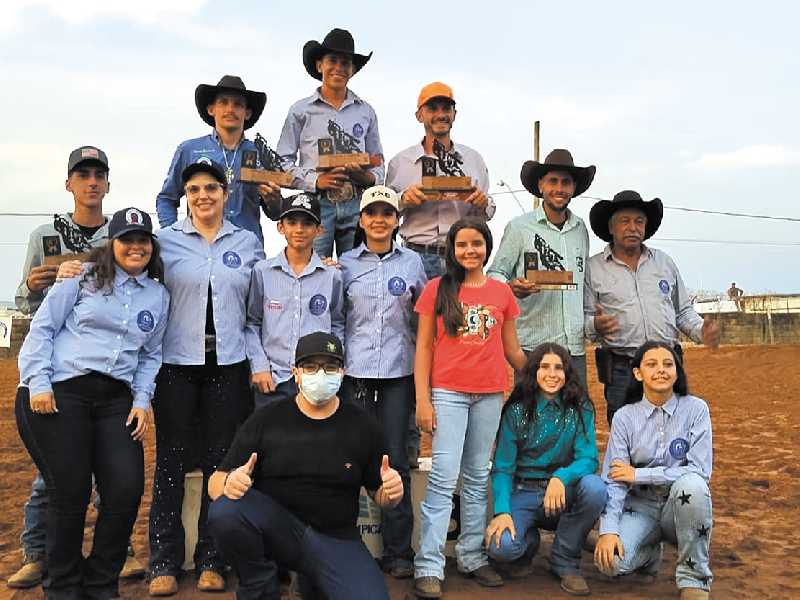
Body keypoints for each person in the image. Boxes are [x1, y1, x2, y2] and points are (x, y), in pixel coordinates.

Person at [15, 207, 169, 600]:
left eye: (142, 240)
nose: (135, 247)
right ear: (112, 244)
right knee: (71, 489)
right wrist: (38, 383)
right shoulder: (81, 278)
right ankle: (64, 586)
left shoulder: (158, 295)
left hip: (116, 398)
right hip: (63, 389)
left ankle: (101, 581)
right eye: (127, 240)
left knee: (126, 487)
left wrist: (141, 400)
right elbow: (43, 328)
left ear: (151, 246)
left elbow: (150, 355)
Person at [10, 146, 144, 587]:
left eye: (98, 175)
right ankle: (37, 551)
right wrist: (32, 283)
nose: (91, 182)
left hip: (104, 364)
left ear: (107, 184)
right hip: (56, 361)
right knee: (56, 476)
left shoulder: (120, 234)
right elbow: (24, 299)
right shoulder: (46, 235)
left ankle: (117, 550)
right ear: (68, 183)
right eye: (82, 175)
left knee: (110, 472)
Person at [207, 331, 403, 600]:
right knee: (226, 511)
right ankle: (259, 585)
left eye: (330, 367)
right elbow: (214, 483)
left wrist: (391, 493)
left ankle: (311, 579)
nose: (320, 375)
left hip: (336, 540)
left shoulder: (362, 425)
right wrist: (229, 483)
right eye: (310, 367)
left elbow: (379, 494)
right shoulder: (267, 419)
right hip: (279, 531)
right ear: (295, 373)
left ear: (342, 372)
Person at [149, 161, 265, 595]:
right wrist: (76, 268)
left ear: (225, 191)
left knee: (223, 462)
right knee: (171, 463)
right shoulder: (165, 242)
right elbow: (126, 268)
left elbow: (258, 304)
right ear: (185, 195)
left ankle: (213, 558)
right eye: (194, 188)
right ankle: (163, 560)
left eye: (211, 188)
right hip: (177, 365)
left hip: (229, 365)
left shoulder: (248, 242)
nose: (203, 196)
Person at [413, 217, 527, 599]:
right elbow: (424, 349)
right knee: (444, 476)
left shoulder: (502, 293)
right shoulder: (436, 290)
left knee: (478, 475)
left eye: (476, 244)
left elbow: (511, 350)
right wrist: (423, 399)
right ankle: (429, 564)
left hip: (490, 394)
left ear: (486, 247)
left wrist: (543, 374)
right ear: (452, 249)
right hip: (448, 393)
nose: (469, 251)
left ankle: (472, 555)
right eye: (462, 244)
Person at [338, 185, 427, 578]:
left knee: (395, 460)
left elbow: (424, 317)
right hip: (355, 374)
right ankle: (345, 546)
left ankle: (398, 552)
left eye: (386, 213)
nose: (379, 220)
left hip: (397, 375)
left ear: (397, 221)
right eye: (371, 213)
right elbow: (337, 318)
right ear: (361, 220)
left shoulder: (411, 264)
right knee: (351, 459)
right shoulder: (343, 265)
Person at [584, 190, 721, 425]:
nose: (633, 227)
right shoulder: (593, 268)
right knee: (624, 435)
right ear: (611, 228)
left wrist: (702, 331)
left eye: (639, 221)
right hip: (621, 369)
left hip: (667, 365)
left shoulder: (664, 263)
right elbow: (584, 318)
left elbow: (683, 312)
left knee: (673, 432)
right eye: (624, 221)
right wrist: (595, 324)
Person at [594, 341, 713, 600]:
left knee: (693, 485)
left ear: (677, 371)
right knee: (611, 564)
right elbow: (614, 478)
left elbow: (700, 471)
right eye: (651, 364)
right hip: (640, 508)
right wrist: (608, 530)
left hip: (677, 507)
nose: (661, 370)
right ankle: (649, 554)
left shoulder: (696, 409)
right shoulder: (624, 417)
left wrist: (638, 475)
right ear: (638, 373)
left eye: (668, 364)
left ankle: (694, 577)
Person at [485, 343, 606, 596]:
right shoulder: (516, 411)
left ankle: (565, 558)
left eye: (559, 368)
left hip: (563, 491)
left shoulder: (580, 406)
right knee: (502, 548)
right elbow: (503, 468)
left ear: (568, 373)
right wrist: (502, 511)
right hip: (524, 490)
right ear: (533, 372)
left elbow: (589, 459)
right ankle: (529, 542)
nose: (552, 374)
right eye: (544, 367)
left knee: (595, 489)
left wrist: (561, 478)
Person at [488, 149, 596, 387]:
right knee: (530, 418)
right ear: (541, 185)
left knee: (575, 417)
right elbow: (495, 273)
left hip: (573, 347)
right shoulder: (519, 228)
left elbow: (583, 282)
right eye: (553, 181)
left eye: (566, 182)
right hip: (532, 347)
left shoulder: (580, 230)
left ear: (574, 187)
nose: (559, 188)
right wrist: (510, 287)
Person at [276, 28, 384, 258]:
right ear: (319, 65)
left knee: (357, 272)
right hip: (316, 203)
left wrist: (367, 178)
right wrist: (316, 181)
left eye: (345, 62)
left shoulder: (366, 111)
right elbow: (281, 162)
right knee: (314, 270)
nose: (339, 67)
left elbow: (378, 161)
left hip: (356, 201)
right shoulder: (300, 111)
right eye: (332, 60)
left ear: (352, 70)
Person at [386, 81, 494, 280]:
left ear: (454, 114)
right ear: (419, 115)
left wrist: (483, 203)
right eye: (432, 108)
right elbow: (385, 213)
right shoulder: (400, 163)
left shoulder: (474, 160)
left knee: (459, 311)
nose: (441, 114)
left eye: (447, 108)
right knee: (415, 312)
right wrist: (403, 200)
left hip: (460, 257)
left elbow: (487, 212)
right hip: (414, 257)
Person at [246, 193, 345, 409]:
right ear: (280, 227)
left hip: (316, 381)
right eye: (292, 222)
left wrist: (331, 367)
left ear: (319, 230)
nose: (299, 229)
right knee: (272, 441)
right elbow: (252, 323)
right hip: (273, 378)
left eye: (308, 223)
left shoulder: (332, 275)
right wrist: (259, 366)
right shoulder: (262, 272)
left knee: (313, 440)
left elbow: (337, 323)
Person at [156, 75, 281, 243]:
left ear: (248, 113)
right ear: (211, 109)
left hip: (247, 249)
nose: (230, 109)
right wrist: (174, 237)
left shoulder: (260, 153)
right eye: (223, 102)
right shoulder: (189, 150)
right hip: (200, 247)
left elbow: (275, 214)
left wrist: (273, 201)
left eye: (238, 104)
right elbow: (166, 199)